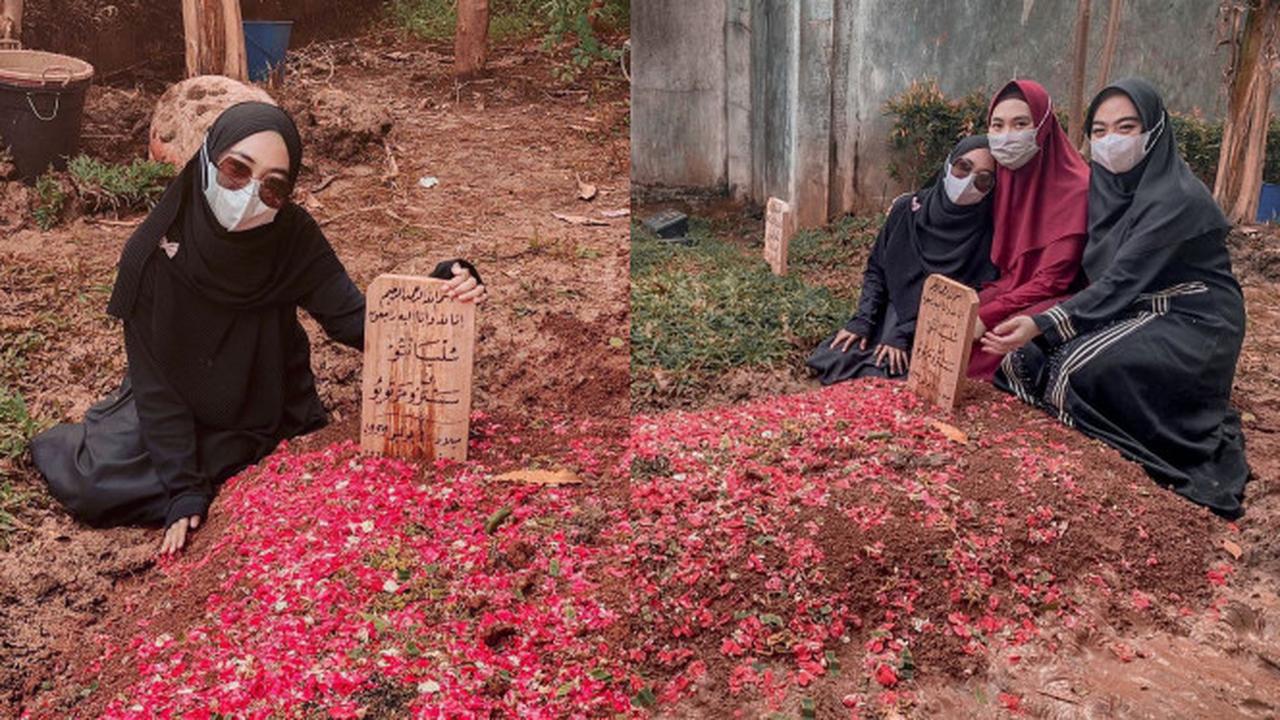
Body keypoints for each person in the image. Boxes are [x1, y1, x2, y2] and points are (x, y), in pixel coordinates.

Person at [29, 102, 487, 554]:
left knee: (272, 464)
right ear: (208, 160)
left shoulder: (292, 235)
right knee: (99, 484)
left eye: (273, 186)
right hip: (177, 398)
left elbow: (357, 322)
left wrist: (438, 289)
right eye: (236, 170)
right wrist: (184, 488)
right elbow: (156, 386)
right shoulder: (151, 254)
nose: (249, 194)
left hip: (266, 399)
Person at [982, 78, 1249, 518]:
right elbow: (1103, 281)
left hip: (1192, 317)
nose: (1111, 142)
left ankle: (1127, 449)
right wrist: (1038, 327)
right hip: (1135, 307)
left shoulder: (1176, 198)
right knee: (1021, 362)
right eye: (1100, 131)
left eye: (1127, 128)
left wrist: (1042, 321)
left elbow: (1119, 280)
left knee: (1070, 373)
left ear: (1156, 130)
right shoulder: (1106, 188)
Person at [807, 136, 998, 384]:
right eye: (963, 167)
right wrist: (863, 321)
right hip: (892, 310)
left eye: (983, 179)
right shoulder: (908, 209)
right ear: (949, 164)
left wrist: (906, 334)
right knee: (837, 355)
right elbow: (877, 268)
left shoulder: (988, 231)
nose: (968, 181)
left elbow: (966, 297)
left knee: (895, 372)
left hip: (937, 329)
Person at [969, 79, 1089, 380]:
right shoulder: (1006, 175)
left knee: (996, 341)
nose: (1007, 136)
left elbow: (1055, 279)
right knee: (952, 321)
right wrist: (911, 203)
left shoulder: (1077, 188)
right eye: (997, 126)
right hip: (1010, 285)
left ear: (1044, 126)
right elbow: (952, 187)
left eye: (1021, 123)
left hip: (1059, 295)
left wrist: (988, 315)